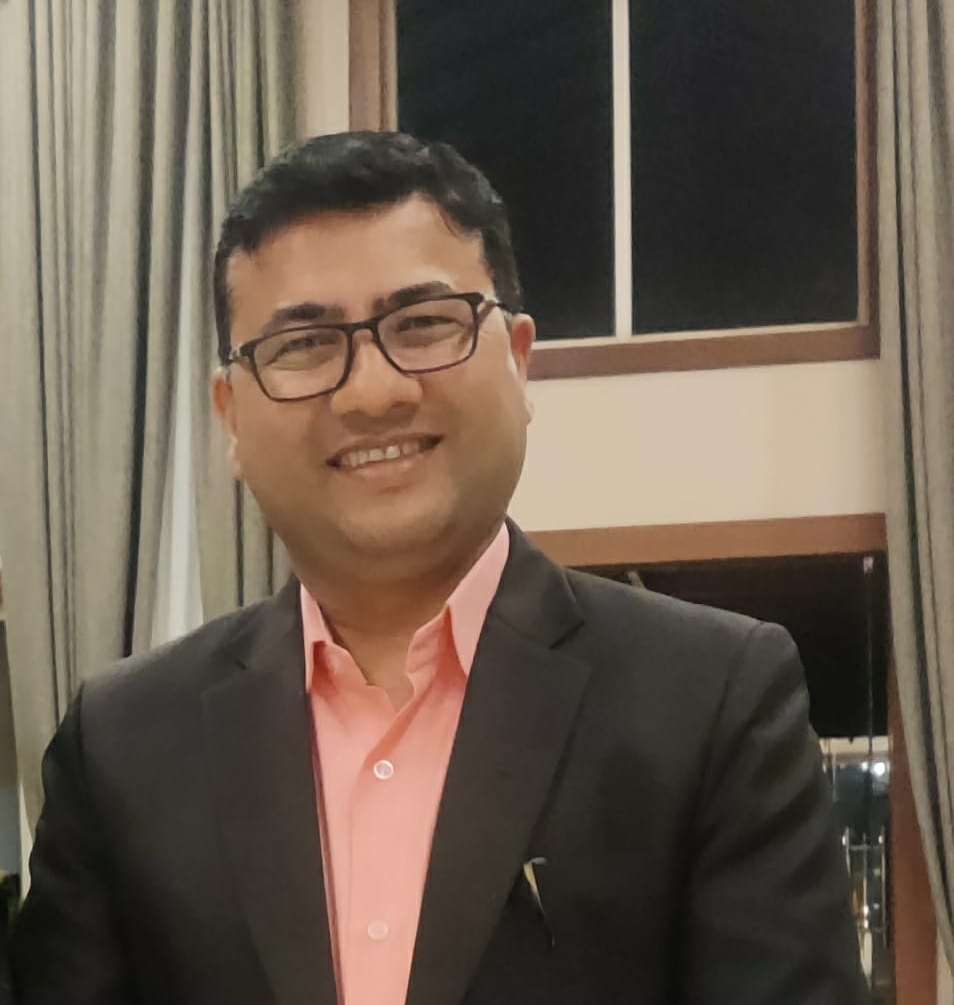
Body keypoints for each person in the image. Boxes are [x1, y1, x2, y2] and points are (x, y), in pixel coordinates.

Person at [12, 132, 866, 1004]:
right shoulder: (121, 746)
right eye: (305, 344)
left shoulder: (710, 699)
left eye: (422, 325)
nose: (373, 391)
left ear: (519, 359)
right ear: (231, 414)